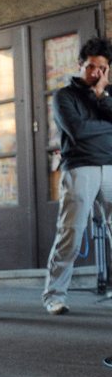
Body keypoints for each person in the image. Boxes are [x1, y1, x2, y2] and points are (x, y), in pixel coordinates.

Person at [41, 36, 112, 315]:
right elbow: (78, 131)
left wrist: (102, 95)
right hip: (79, 168)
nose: (95, 73)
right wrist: (106, 128)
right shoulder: (64, 96)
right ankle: (54, 295)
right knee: (70, 233)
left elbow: (88, 128)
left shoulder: (108, 94)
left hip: (110, 167)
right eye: (91, 66)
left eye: (102, 68)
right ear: (80, 65)